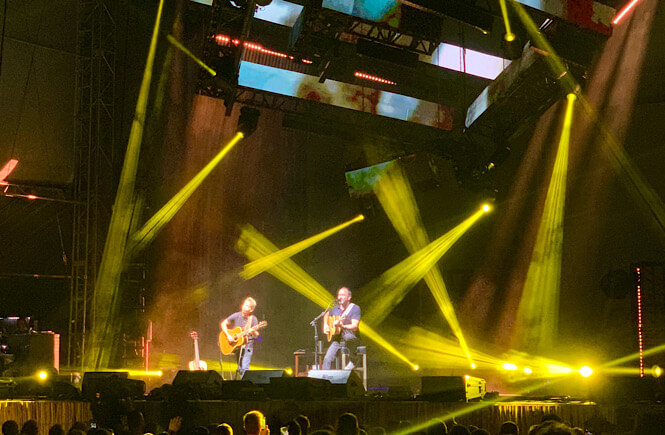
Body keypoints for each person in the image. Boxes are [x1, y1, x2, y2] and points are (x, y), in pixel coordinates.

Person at [322, 287, 361, 370]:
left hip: (350, 334)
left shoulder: (354, 308)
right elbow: (326, 314)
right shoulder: (335, 308)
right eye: (339, 295)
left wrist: (342, 326)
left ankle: (354, 360)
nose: (340, 297)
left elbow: (354, 326)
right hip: (338, 337)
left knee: (348, 337)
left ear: (349, 297)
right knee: (327, 359)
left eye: (343, 295)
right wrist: (325, 325)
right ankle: (324, 380)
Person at [220, 297, 259, 378]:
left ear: (251, 310)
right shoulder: (236, 315)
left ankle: (245, 385)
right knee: (240, 368)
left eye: (247, 306)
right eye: (244, 305)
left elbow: (257, 336)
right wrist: (228, 335)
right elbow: (223, 323)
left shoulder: (253, 319)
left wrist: (252, 331)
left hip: (247, 347)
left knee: (244, 368)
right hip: (238, 346)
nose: (244, 307)